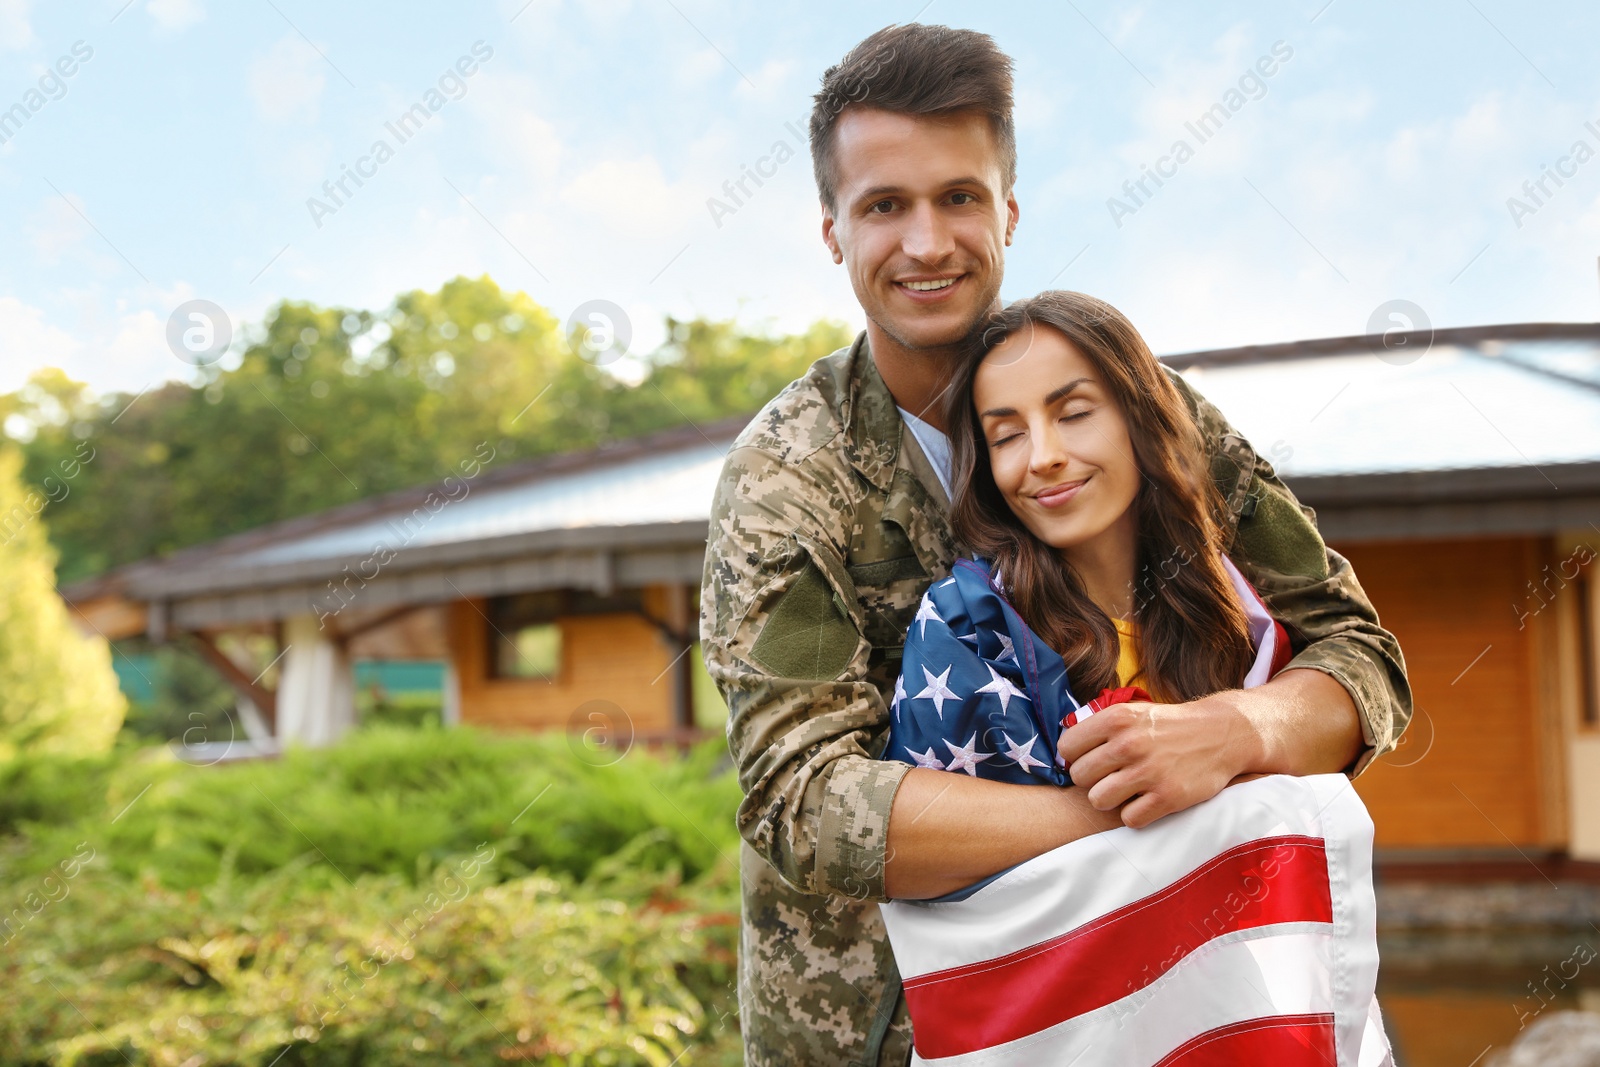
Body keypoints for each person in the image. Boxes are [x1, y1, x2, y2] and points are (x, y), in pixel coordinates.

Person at [699, 23, 1411, 1067]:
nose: (929, 242)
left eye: (959, 196)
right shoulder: (786, 479)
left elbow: (1358, 655)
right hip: (885, 1032)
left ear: (1010, 210)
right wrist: (1143, 817)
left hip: (1169, 1006)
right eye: (884, 206)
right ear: (832, 232)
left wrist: (1235, 731)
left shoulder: (1144, 412)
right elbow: (801, 799)